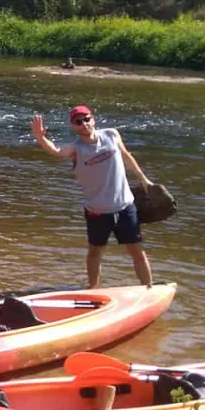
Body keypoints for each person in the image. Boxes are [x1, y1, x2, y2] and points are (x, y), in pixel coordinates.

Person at [30, 105, 154, 287]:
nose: (84, 124)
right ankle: (93, 289)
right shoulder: (76, 149)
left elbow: (126, 155)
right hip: (97, 211)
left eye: (86, 119)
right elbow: (56, 151)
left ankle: (148, 288)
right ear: (74, 126)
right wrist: (41, 138)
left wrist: (143, 178)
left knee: (137, 251)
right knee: (95, 253)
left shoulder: (112, 134)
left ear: (93, 119)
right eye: (78, 122)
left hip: (125, 206)